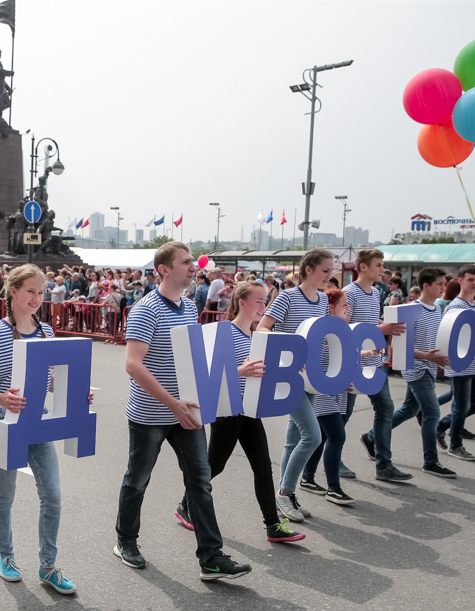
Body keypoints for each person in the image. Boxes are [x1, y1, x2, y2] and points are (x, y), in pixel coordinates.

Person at [113, 241, 251, 581]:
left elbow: (192, 360)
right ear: (164, 269)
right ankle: (126, 541)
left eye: (193, 262)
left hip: (187, 411)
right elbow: (133, 365)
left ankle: (211, 558)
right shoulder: (146, 310)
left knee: (200, 482)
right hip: (151, 414)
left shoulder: (189, 307)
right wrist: (172, 403)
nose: (194, 267)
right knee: (137, 480)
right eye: (186, 262)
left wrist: (230, 377)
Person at [0, 264, 91, 594]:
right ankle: (6, 556)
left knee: (53, 495)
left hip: (37, 420)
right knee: (7, 495)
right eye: (30, 291)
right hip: (1, 421)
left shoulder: (46, 332)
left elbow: (52, 379)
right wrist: (3, 398)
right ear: (12, 291)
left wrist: (74, 391)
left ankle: (48, 567)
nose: (37, 298)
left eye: (41, 292)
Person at [174, 282, 306, 543]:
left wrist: (288, 372)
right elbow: (208, 376)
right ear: (242, 302)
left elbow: (264, 376)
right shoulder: (224, 333)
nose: (263, 306)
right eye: (258, 301)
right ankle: (184, 506)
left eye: (265, 300)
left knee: (262, 467)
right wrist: (239, 372)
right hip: (227, 412)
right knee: (214, 466)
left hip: (250, 411)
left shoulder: (259, 337)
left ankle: (272, 525)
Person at [258, 248, 334, 523]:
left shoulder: (323, 300)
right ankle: (286, 491)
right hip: (289, 376)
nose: (329, 275)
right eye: (325, 270)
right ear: (309, 269)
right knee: (312, 436)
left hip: (311, 377)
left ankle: (284, 496)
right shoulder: (288, 296)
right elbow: (263, 327)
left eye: (331, 270)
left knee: (294, 438)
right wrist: (290, 354)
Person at [370, 268, 456, 478]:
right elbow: (399, 347)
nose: (444, 288)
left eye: (445, 284)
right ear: (426, 285)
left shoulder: (436, 310)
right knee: (432, 413)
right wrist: (428, 357)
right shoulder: (411, 310)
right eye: (440, 284)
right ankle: (431, 461)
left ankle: (372, 437)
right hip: (415, 368)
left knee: (409, 409)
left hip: (429, 366)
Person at [344, 249, 413, 483]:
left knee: (385, 408)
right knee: (342, 416)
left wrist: (386, 325)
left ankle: (384, 464)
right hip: (353, 362)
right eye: (378, 265)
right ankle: (330, 459)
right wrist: (381, 329)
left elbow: (371, 322)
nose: (382, 269)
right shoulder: (349, 293)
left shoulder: (375, 292)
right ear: (363, 267)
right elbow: (345, 329)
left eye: (382, 265)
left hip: (374, 362)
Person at [300, 289, 360, 505]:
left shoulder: (340, 332)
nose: (348, 310)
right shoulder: (323, 332)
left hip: (335, 390)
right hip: (322, 391)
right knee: (337, 436)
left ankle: (307, 477)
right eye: (345, 305)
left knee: (323, 437)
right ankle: (333, 488)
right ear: (331, 308)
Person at [436, 265, 475, 462]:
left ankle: (440, 426)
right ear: (460, 281)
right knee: (461, 406)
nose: (474, 283)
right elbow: (454, 339)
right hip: (460, 362)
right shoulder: (456, 306)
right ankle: (455, 445)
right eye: (470, 279)